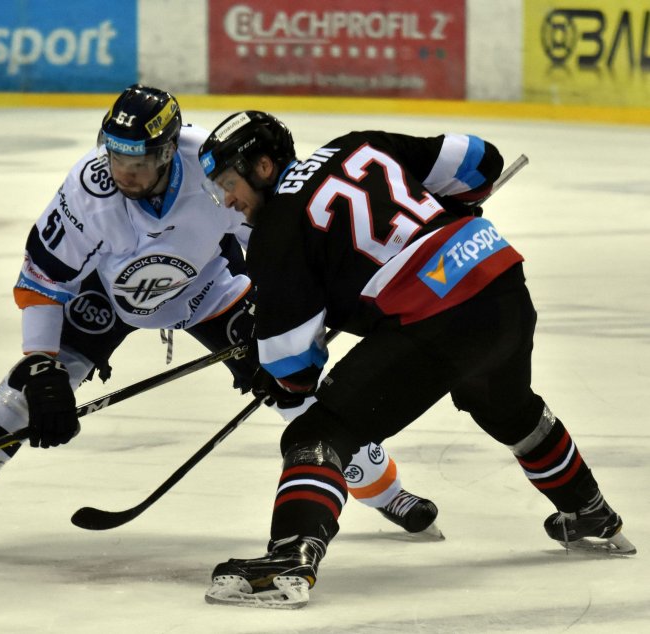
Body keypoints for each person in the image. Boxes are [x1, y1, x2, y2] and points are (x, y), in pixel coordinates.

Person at [0, 85, 441, 561]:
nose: (123, 172)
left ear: (166, 151)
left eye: (137, 161)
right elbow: (43, 277)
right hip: (104, 293)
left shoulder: (213, 168)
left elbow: (273, 242)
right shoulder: (89, 189)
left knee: (295, 387)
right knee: (26, 391)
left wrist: (288, 313)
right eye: (116, 156)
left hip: (209, 288)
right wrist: (41, 365)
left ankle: (387, 491)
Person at [196, 111, 636, 609]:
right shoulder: (358, 144)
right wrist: (454, 205)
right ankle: (590, 511)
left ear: (262, 166)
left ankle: (288, 559)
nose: (228, 201)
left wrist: (275, 377)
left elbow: (294, 366)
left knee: (317, 434)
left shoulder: (278, 228)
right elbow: (480, 162)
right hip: (500, 283)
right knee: (508, 408)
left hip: (437, 317)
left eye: (229, 184)